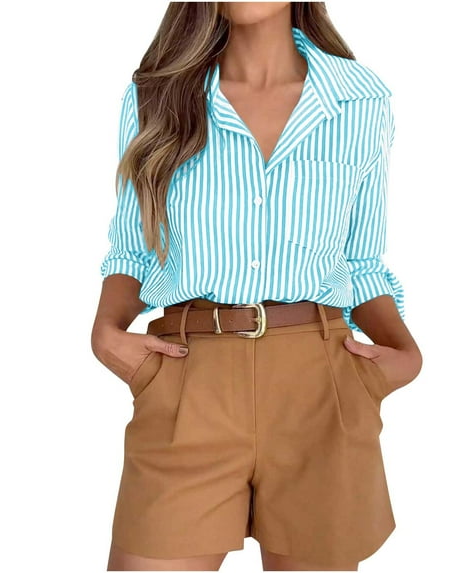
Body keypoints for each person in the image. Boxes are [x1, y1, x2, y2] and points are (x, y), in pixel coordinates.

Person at [91, 2, 423, 571]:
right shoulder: (157, 95)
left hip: (320, 388)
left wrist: (404, 354)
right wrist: (106, 331)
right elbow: (133, 248)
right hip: (189, 379)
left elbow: (361, 260)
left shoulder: (361, 101)